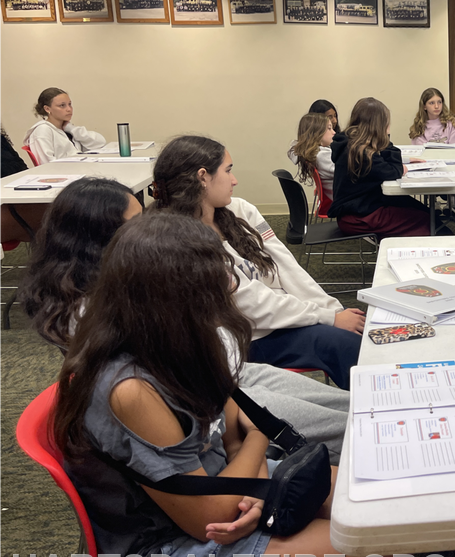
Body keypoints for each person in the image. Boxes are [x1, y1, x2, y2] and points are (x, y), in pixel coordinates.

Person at [54, 212, 406, 557]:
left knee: (381, 510)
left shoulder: (175, 336)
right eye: (215, 280)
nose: (230, 284)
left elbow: (234, 423)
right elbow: (209, 517)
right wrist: (253, 457)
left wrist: (250, 479)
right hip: (167, 552)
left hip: (224, 485)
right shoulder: (131, 390)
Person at [19, 177, 352, 464]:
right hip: (201, 397)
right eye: (134, 226)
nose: (145, 233)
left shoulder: (121, 282)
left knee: (355, 406)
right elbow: (214, 350)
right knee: (350, 430)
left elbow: (222, 349)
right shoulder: (91, 308)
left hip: (226, 376)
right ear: (100, 240)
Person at [152, 135, 366, 390]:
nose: (235, 180)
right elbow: (251, 304)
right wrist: (326, 318)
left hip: (285, 317)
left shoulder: (240, 210)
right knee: (343, 345)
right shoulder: (179, 241)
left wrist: (333, 310)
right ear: (202, 177)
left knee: (357, 335)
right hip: (247, 338)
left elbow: (286, 265)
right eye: (228, 171)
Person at [328, 97, 433, 238]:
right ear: (377, 125)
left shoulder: (350, 142)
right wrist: (385, 137)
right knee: (425, 219)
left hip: (357, 210)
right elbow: (394, 170)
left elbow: (388, 163)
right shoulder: (361, 152)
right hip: (359, 217)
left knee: (416, 207)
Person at [23, 87, 106, 164]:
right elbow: (47, 164)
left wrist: (72, 129)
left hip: (79, 169)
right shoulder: (42, 131)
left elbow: (100, 143)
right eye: (62, 105)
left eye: (69, 104)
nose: (69, 109)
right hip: (65, 175)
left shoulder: (66, 129)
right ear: (47, 109)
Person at [287, 112, 336, 199]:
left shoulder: (313, 153)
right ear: (317, 133)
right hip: (347, 201)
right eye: (329, 128)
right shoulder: (322, 155)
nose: (334, 132)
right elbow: (347, 173)